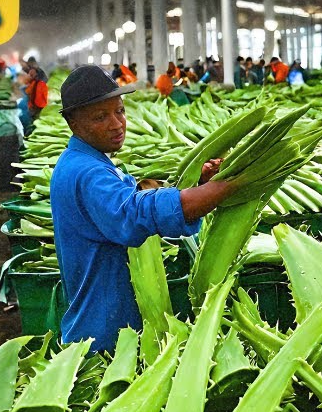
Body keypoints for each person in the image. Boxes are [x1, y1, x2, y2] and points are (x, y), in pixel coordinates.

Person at [49, 65, 239, 353]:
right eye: (100, 117)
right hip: (105, 334)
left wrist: (198, 185)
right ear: (73, 123)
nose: (116, 124)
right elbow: (130, 214)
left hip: (106, 318)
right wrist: (223, 189)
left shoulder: (90, 161)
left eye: (120, 111)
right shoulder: (87, 172)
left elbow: (132, 199)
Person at [23, 57, 49, 127]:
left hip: (38, 103)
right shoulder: (39, 73)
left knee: (36, 118)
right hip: (38, 102)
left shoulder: (38, 77)